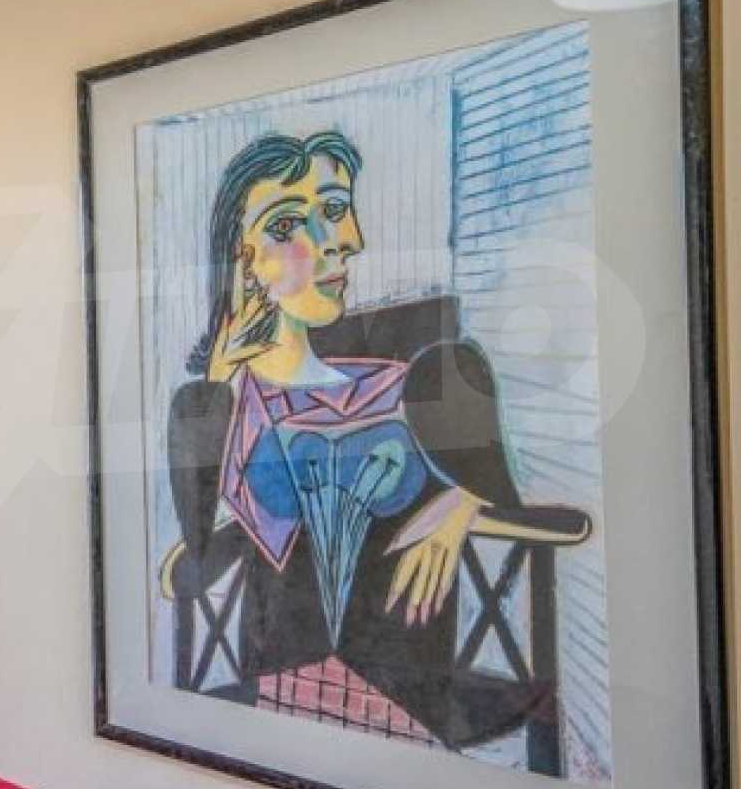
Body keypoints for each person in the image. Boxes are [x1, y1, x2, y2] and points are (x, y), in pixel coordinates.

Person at [162, 128, 545, 749]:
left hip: (411, 692)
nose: (341, 242)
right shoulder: (220, 405)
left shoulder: (423, 382)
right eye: (289, 224)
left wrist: (461, 506)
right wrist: (225, 367)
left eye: (337, 211)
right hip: (281, 690)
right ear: (243, 257)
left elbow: (508, 500)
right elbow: (207, 554)